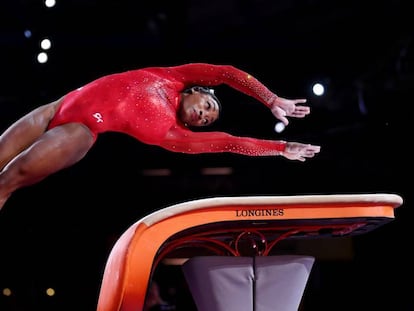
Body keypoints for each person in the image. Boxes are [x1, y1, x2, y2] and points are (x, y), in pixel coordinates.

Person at [0, 63, 320, 210]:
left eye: (207, 120)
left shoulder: (172, 133)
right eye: (208, 105)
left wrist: (280, 148)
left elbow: (231, 143)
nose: (204, 115)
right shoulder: (173, 77)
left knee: (7, 182)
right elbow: (226, 74)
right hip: (55, 107)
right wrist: (270, 99)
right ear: (198, 90)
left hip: (80, 130)